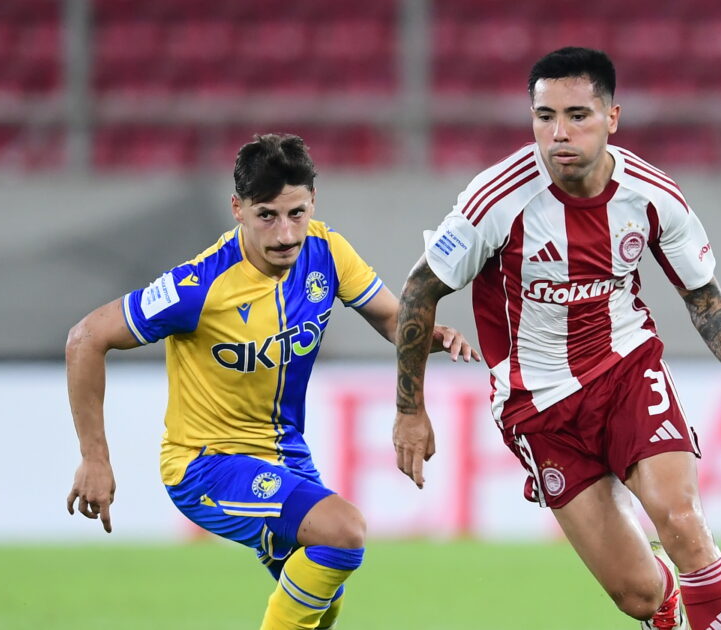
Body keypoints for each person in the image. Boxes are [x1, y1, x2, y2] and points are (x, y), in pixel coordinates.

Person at [393, 47, 721, 630]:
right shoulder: (495, 200)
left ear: (612, 117)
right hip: (537, 404)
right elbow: (418, 290)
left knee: (682, 523)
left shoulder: (652, 196)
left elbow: (702, 294)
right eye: (545, 116)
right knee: (638, 595)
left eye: (577, 115)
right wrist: (410, 410)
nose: (559, 133)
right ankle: (668, 605)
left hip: (627, 369)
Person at [64, 133, 479, 629]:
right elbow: (85, 338)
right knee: (344, 532)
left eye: (296, 213)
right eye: (267, 215)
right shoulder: (198, 286)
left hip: (286, 454)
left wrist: (429, 334)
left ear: (313, 202)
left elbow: (393, 320)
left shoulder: (327, 252)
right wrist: (94, 458)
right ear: (237, 209)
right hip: (205, 464)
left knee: (325, 599)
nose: (285, 234)